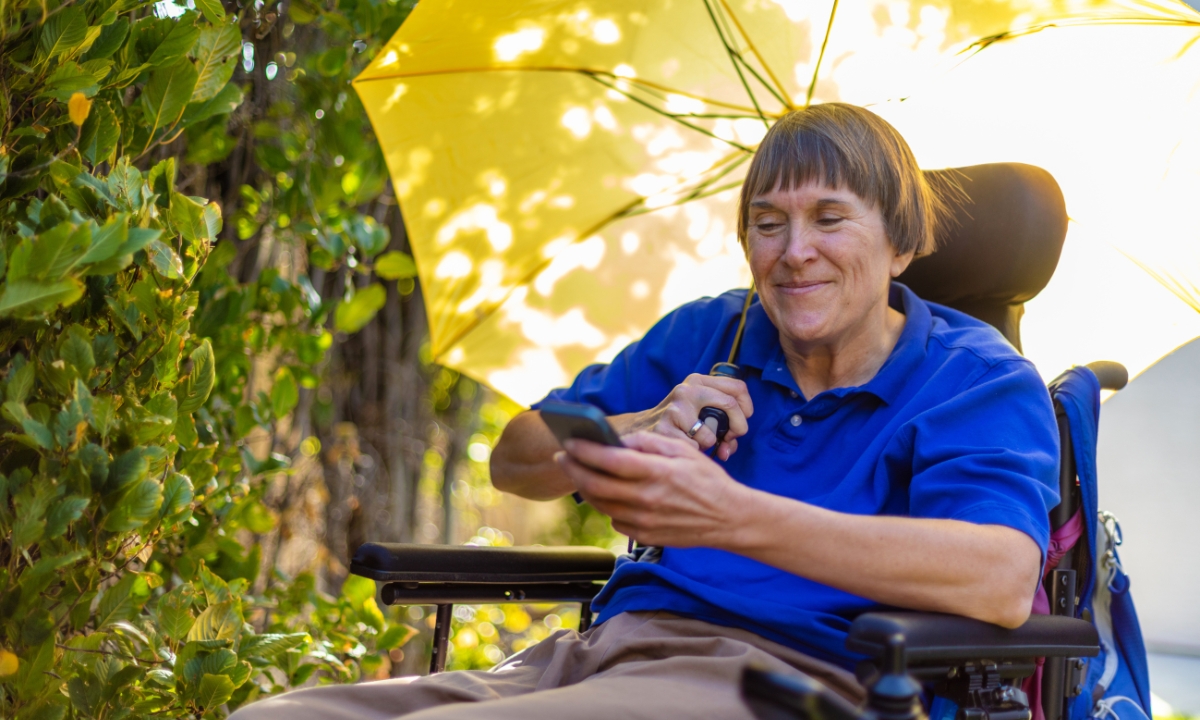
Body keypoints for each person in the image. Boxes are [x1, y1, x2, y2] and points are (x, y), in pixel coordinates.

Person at [229, 103, 1059, 720]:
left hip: (797, 681)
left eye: (829, 219)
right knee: (271, 718)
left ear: (902, 242)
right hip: (604, 652)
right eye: (767, 225)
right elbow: (514, 459)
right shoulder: (714, 331)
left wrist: (729, 516)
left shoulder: (976, 379)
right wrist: (640, 422)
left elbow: (998, 578)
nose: (793, 251)